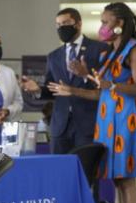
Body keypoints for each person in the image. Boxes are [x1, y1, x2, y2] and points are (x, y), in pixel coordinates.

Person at [48, 2, 136, 203]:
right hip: (110, 121)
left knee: (128, 182)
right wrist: (87, 76)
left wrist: (112, 84)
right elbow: (102, 91)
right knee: (119, 183)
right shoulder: (113, 52)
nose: (103, 27)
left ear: (119, 24)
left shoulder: (134, 49)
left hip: (127, 120)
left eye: (106, 22)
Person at [19, 8, 103, 154]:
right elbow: (53, 88)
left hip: (88, 123)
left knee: (86, 170)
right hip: (60, 124)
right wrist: (38, 90)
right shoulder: (54, 56)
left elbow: (104, 86)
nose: (61, 27)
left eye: (65, 23)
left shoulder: (99, 48)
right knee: (60, 171)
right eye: (58, 25)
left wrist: (85, 75)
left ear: (78, 24)